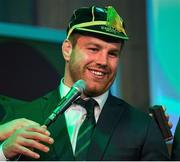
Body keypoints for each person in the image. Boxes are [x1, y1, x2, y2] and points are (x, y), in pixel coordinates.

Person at [0, 6, 170, 160]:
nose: (103, 61)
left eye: (112, 53)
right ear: (68, 50)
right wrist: (3, 153)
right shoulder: (18, 117)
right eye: (93, 49)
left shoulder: (142, 127)